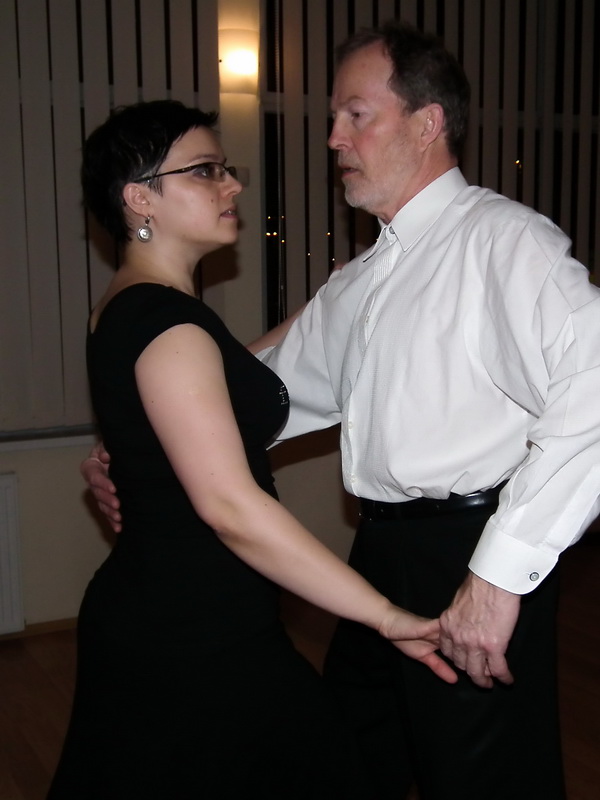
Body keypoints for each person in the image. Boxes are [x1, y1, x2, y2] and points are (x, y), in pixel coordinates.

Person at [82, 21, 600, 800]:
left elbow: (593, 383)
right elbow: (253, 389)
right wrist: (131, 445)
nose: (333, 138)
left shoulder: (502, 242)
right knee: (354, 760)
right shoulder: (361, 282)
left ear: (426, 123)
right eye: (333, 118)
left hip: (470, 553)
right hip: (378, 556)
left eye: (356, 115)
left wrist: (497, 578)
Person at [49, 99, 457, 800]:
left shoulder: (140, 309)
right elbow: (231, 508)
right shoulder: (166, 323)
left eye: (225, 168)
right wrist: (386, 615)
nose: (232, 184)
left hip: (183, 617)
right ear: (139, 197)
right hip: (189, 635)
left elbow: (227, 371)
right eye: (205, 171)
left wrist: (340, 292)